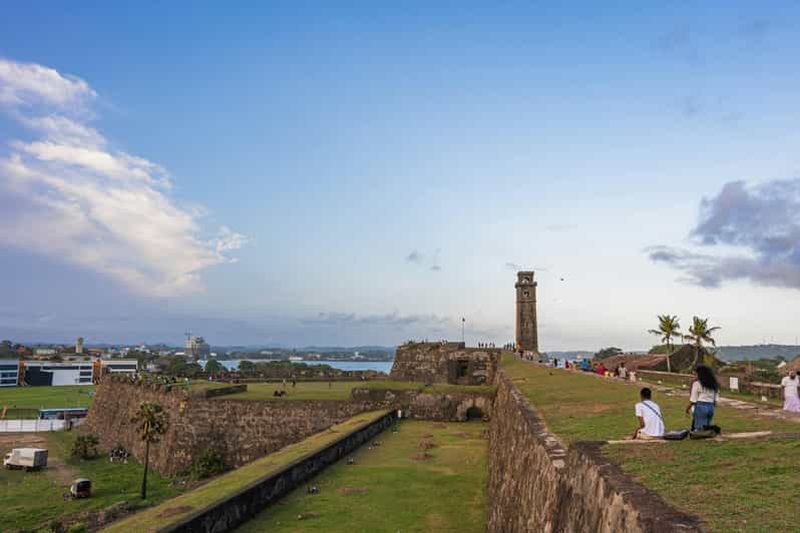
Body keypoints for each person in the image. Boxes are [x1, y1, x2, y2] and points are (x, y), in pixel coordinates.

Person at [687, 365, 719, 431]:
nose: (694, 376)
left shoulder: (697, 384)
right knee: (706, 428)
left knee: (699, 430)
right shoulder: (714, 384)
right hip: (711, 407)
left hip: (701, 406)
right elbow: (715, 400)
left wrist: (687, 408)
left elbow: (693, 400)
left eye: (695, 374)